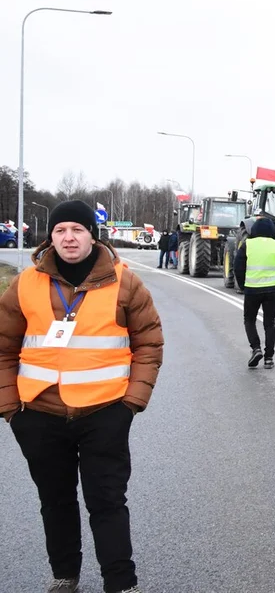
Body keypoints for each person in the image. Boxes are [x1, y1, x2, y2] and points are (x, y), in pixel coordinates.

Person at [0, 200, 163, 593]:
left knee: (106, 501)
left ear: (93, 234)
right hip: (39, 414)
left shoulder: (125, 281)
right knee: (55, 501)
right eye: (60, 231)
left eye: (77, 229)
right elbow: (3, 347)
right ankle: (64, 576)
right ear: (50, 237)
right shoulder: (26, 283)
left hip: (104, 413)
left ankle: (121, 584)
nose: (68, 238)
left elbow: (149, 343)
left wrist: (130, 405)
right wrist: (11, 410)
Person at [233, 216, 275, 369]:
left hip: (252, 290)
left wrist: (243, 285)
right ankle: (269, 358)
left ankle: (256, 348)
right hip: (272, 291)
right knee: (269, 323)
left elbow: (238, 266)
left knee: (249, 320)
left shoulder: (247, 245)